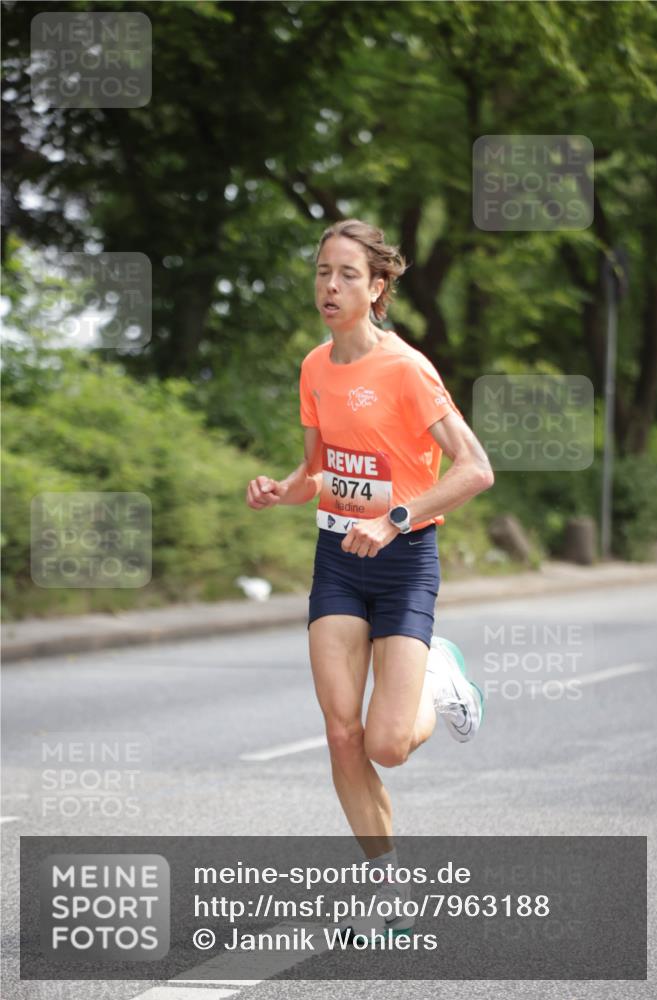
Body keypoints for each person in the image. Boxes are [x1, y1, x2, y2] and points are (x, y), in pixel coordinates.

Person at [246, 219, 494, 938]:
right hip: (336, 561)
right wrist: (279, 489)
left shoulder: (406, 369)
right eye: (322, 272)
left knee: (388, 742)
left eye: (347, 274)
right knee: (342, 735)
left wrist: (395, 516)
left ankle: (440, 678)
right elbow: (316, 469)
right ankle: (388, 892)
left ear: (377, 287)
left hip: (403, 559)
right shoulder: (314, 367)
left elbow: (475, 468)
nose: (329, 286)